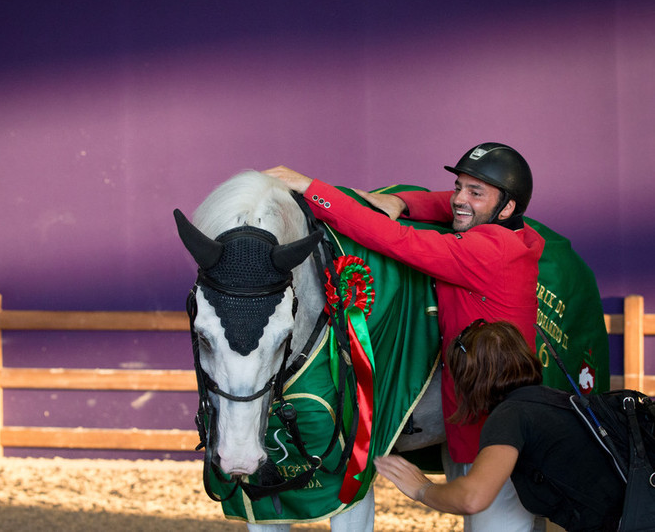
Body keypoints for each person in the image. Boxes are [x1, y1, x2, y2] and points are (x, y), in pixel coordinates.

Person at [264, 142, 546, 531]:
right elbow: (446, 202)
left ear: (508, 208)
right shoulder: (510, 228)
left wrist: (310, 187)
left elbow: (395, 240)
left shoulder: (490, 249)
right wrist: (403, 202)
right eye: (459, 186)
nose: (459, 199)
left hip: (496, 427)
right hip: (474, 417)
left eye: (474, 192)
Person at [373, 320, 625, 531]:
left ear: (471, 381)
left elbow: (473, 497)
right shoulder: (553, 400)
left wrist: (422, 489)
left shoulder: (510, 415)